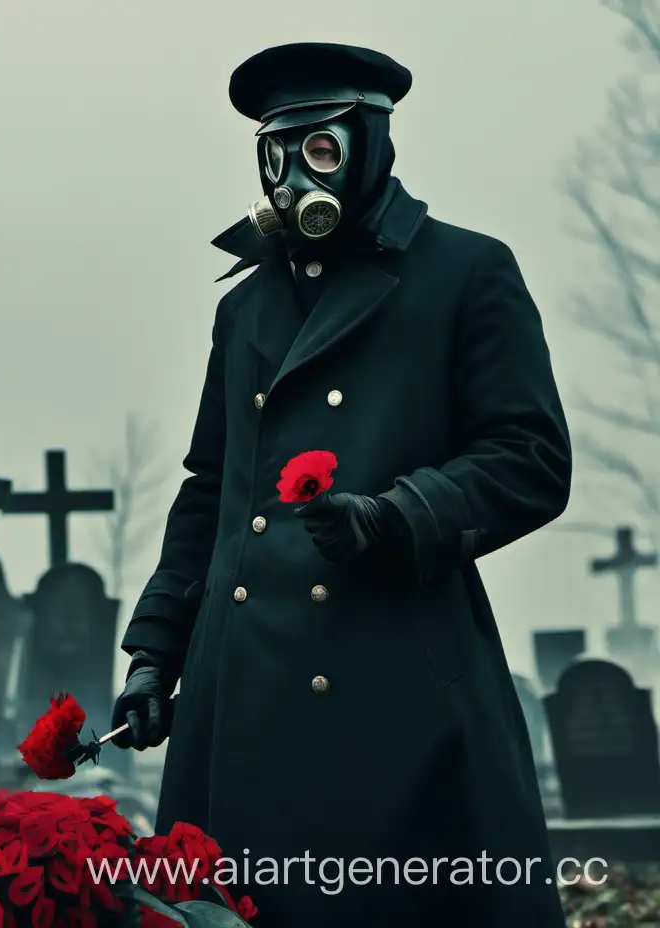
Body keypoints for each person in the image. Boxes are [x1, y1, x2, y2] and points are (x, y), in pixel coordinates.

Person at [110, 42, 570, 927]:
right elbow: (212, 489)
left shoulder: (466, 272)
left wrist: (398, 517)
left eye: (320, 148)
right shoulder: (243, 306)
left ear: (369, 142)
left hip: (395, 677)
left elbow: (530, 456)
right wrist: (155, 653)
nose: (295, 176)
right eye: (277, 153)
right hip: (237, 688)